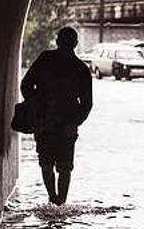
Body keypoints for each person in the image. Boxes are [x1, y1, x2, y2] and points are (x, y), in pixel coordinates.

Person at [21, 28, 93, 205]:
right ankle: (59, 202)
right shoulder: (80, 69)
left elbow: (26, 86)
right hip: (59, 124)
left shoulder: (46, 60)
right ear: (75, 43)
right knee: (64, 167)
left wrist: (36, 104)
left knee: (49, 164)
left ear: (57, 40)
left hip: (49, 123)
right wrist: (74, 122)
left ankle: (54, 199)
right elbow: (87, 104)